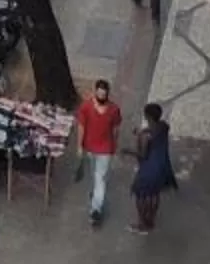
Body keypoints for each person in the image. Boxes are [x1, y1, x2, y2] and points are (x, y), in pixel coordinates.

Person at [75, 78, 124, 226]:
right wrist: (79, 146)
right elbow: (81, 127)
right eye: (99, 94)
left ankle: (96, 209)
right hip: (91, 149)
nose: (101, 97)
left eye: (104, 95)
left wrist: (114, 145)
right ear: (95, 92)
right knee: (95, 175)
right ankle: (96, 198)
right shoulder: (86, 107)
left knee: (99, 178)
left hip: (104, 150)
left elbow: (116, 130)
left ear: (107, 94)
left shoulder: (114, 109)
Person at [129, 101, 177, 232]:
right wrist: (140, 132)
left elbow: (142, 155)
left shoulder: (146, 135)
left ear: (147, 116)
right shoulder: (164, 127)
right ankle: (151, 219)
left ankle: (142, 223)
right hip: (162, 166)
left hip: (149, 168)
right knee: (154, 193)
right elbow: (152, 131)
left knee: (140, 194)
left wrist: (128, 151)